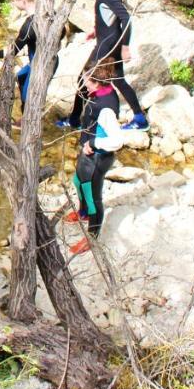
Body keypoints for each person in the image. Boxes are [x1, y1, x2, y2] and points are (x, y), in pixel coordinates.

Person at [65, 0, 145, 130]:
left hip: (108, 44)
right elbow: (109, 15)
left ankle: (74, 120)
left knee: (83, 78)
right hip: (109, 39)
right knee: (119, 80)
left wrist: (125, 47)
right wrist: (96, 29)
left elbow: (126, 19)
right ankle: (140, 119)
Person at [66, 62, 125, 255]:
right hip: (88, 155)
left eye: (86, 80)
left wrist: (93, 144)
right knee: (77, 181)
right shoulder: (103, 92)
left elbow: (116, 140)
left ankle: (91, 237)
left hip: (98, 158)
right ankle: (83, 213)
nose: (83, 83)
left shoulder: (105, 107)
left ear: (96, 82)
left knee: (93, 198)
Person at [0, 0, 63, 108]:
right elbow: (63, 32)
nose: (12, 4)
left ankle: (26, 120)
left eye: (13, 0)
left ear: (23, 0)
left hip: (40, 66)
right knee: (21, 76)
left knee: (28, 97)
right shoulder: (50, 13)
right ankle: (24, 116)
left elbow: (12, 52)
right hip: (49, 59)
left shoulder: (29, 26)